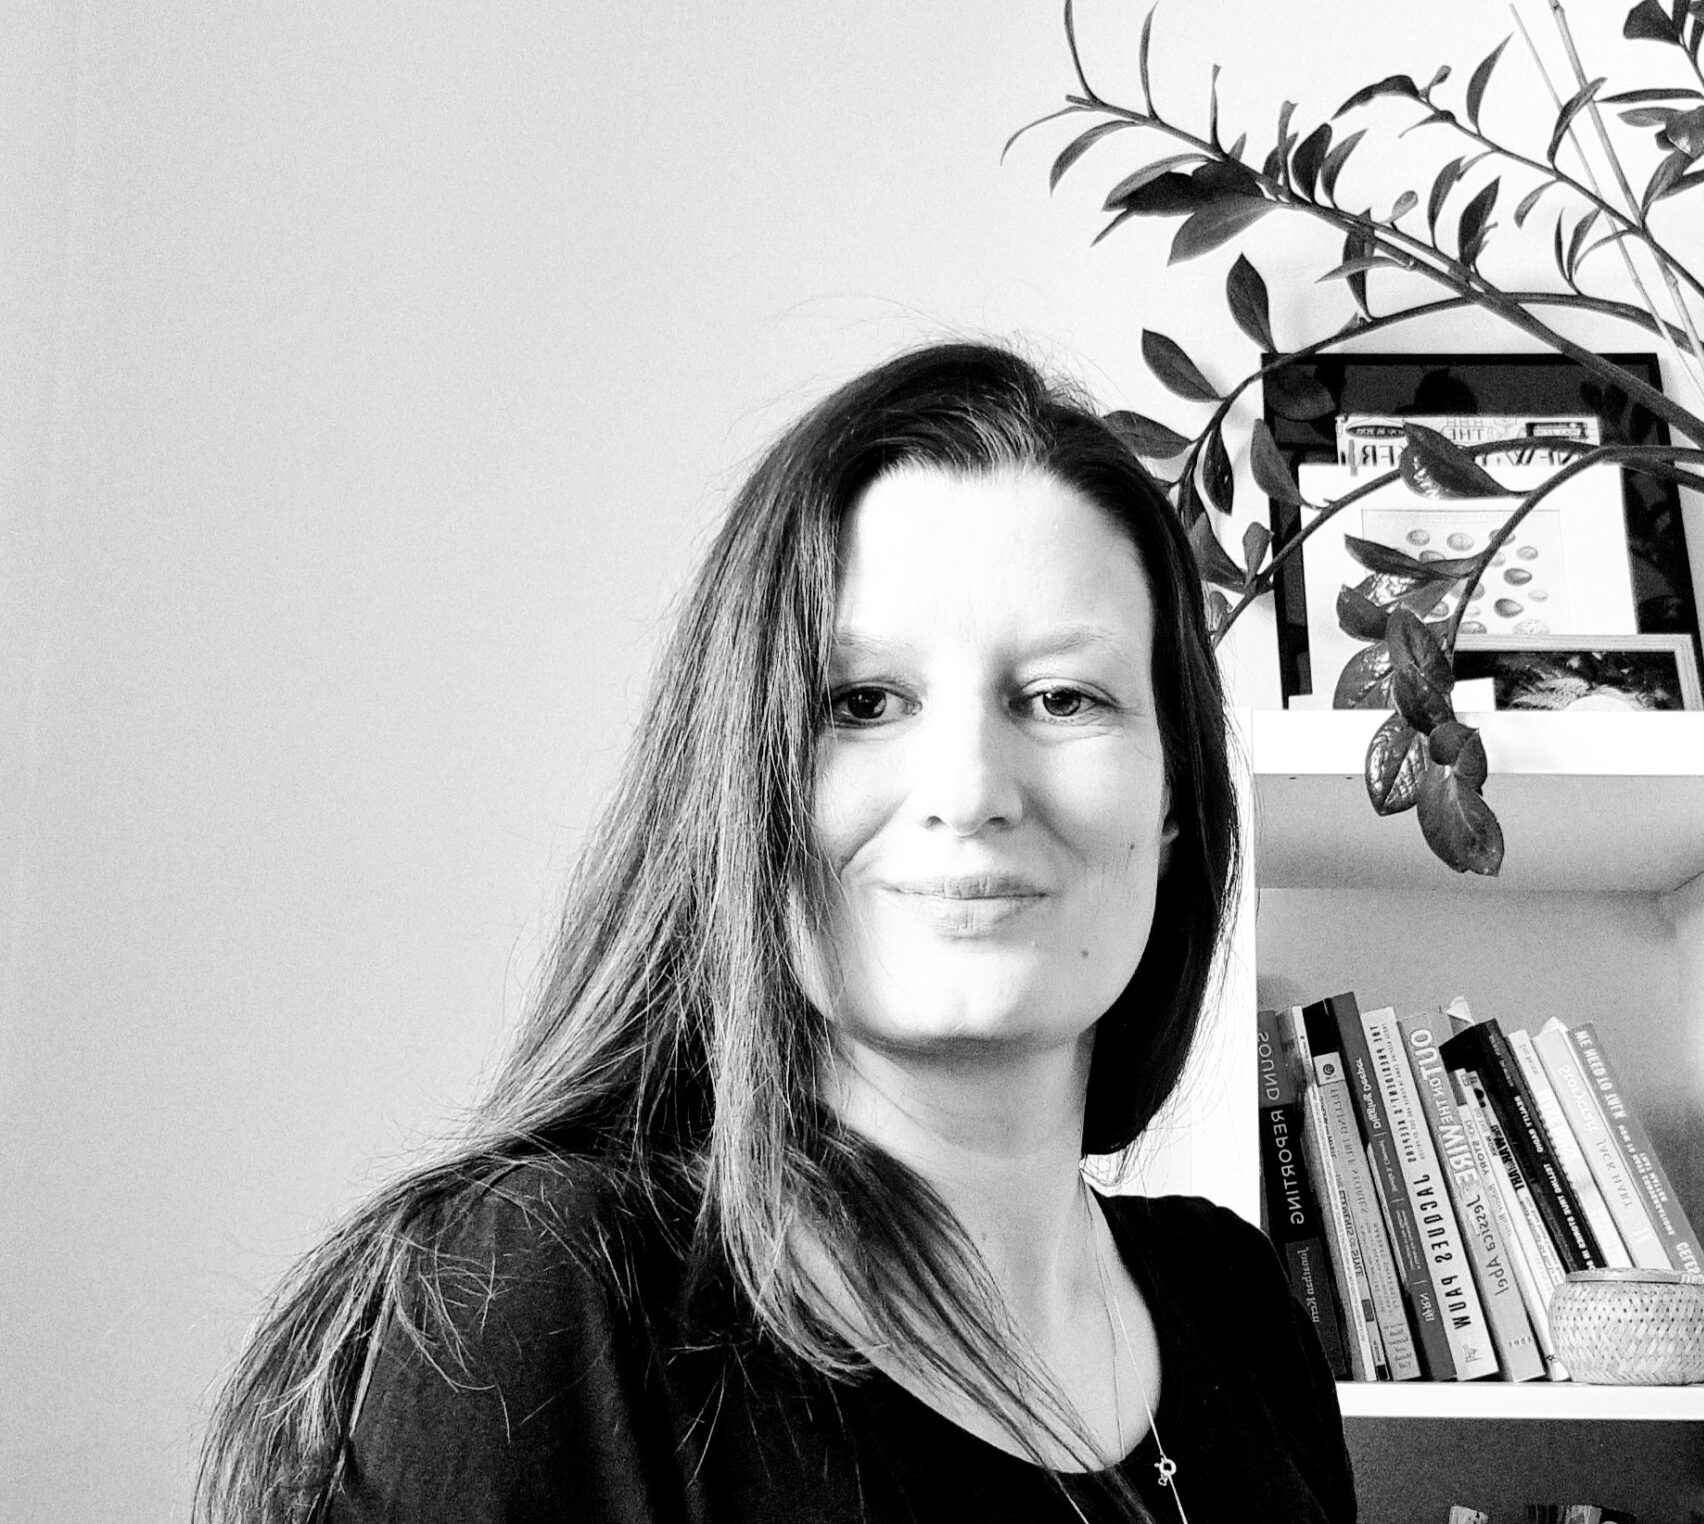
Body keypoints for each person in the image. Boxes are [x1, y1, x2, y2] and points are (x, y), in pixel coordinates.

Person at [194, 341, 1358, 1524]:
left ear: (1173, 802)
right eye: (862, 703)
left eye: (1063, 697)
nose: (970, 790)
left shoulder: (1238, 1309)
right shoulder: (545, 1300)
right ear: (739, 790)